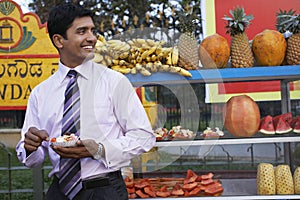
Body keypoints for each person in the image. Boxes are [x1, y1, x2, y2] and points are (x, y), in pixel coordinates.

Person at [15, 3, 156, 200]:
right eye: (81, 31)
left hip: (104, 190)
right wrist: (30, 146)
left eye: (92, 30)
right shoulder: (41, 93)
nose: (92, 38)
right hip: (60, 191)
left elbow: (143, 136)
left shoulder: (115, 82)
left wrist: (99, 150)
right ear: (58, 40)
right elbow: (33, 160)